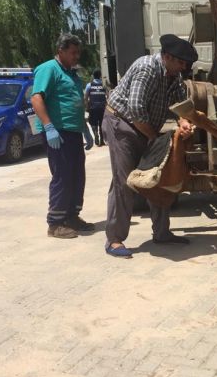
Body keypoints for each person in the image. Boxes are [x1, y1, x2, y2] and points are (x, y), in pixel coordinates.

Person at [102, 34, 197, 258]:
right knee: (124, 182)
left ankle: (162, 232)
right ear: (166, 57)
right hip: (122, 125)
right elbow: (135, 111)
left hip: (145, 129)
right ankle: (114, 240)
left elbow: (180, 103)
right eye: (180, 63)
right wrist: (154, 138)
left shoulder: (174, 76)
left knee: (158, 178)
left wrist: (184, 122)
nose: (183, 68)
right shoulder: (146, 68)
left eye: (185, 64)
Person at [31, 33, 95, 239]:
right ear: (61, 51)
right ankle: (55, 223)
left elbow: (74, 102)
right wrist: (49, 127)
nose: (77, 56)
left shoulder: (72, 73)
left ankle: (72, 216)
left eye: (78, 52)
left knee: (77, 175)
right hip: (58, 133)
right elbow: (36, 98)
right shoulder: (49, 69)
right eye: (73, 52)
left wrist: (84, 128)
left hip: (73, 131)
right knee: (63, 176)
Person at [85, 69, 107, 146]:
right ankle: (102, 140)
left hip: (93, 108)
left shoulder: (89, 85)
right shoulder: (103, 85)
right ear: (100, 75)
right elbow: (107, 96)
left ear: (93, 76)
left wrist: (87, 106)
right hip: (102, 108)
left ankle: (95, 133)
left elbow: (86, 97)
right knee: (101, 124)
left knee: (93, 122)